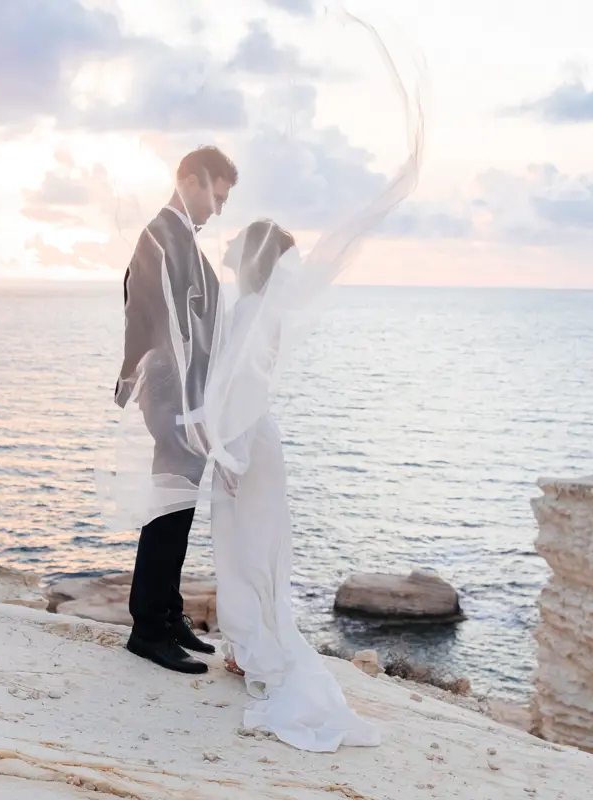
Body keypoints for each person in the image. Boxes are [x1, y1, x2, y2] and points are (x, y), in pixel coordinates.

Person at [206, 219, 381, 752]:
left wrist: (230, 456)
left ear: (253, 256)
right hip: (249, 441)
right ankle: (248, 649)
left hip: (244, 443)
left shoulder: (252, 312)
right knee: (249, 552)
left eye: (238, 242)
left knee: (247, 553)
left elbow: (245, 388)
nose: (229, 246)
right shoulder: (260, 309)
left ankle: (256, 652)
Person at [114, 146, 238, 675]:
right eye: (215, 194)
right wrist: (191, 405)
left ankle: (168, 613)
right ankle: (147, 627)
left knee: (178, 507)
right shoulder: (160, 238)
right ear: (189, 179)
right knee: (168, 509)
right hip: (173, 393)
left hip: (185, 392)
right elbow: (158, 322)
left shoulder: (178, 237)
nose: (217, 208)